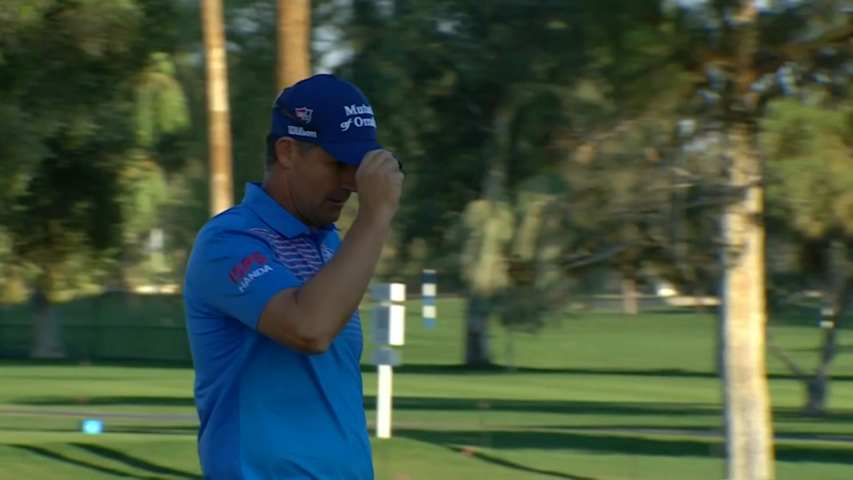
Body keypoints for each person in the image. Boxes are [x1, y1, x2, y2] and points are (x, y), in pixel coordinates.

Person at [183, 73, 403, 479]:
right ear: (287, 151)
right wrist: (374, 217)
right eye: (337, 163)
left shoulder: (332, 245)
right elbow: (309, 329)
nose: (352, 183)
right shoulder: (228, 240)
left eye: (357, 166)